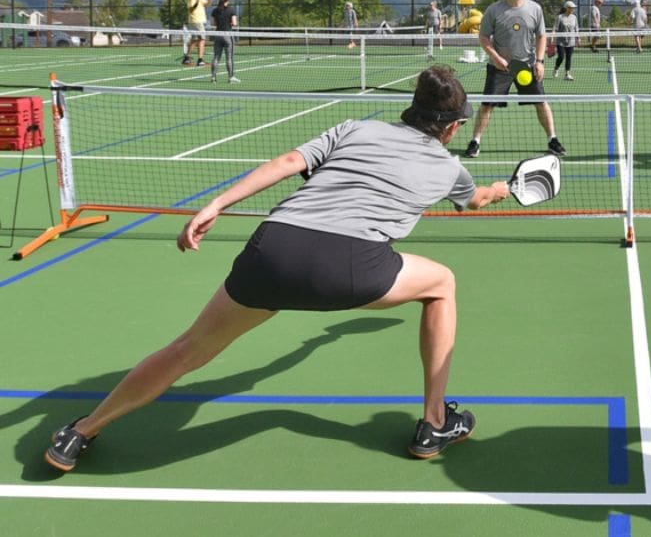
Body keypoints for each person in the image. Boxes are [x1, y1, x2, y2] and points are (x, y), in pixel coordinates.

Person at [44, 65, 512, 472]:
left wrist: (217, 204)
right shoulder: (450, 168)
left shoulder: (355, 128)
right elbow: (473, 201)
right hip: (350, 268)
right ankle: (433, 424)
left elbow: (290, 162)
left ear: (412, 109)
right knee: (442, 283)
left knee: (187, 349)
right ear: (452, 128)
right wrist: (501, 189)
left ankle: (81, 432)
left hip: (273, 251)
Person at [463, 0, 566, 159]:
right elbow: (483, 37)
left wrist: (540, 61)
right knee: (487, 105)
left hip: (527, 66)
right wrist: (495, 57)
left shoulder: (535, 9)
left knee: (541, 102)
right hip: (499, 67)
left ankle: (553, 139)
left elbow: (542, 36)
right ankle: (475, 141)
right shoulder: (494, 10)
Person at [209, 0, 240, 84]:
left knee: (216, 57)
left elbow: (213, 24)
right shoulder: (231, 10)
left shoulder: (215, 10)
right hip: (227, 36)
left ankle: (213, 77)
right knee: (229, 58)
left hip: (218, 35)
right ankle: (231, 77)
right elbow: (234, 23)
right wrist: (229, 23)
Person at [181, 0, 213, 66]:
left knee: (194, 40)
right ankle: (200, 60)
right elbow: (190, 9)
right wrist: (197, 2)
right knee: (202, 40)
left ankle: (186, 58)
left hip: (199, 21)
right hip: (196, 21)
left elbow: (207, 5)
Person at [553, 1, 578, 80]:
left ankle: (567, 74)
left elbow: (576, 29)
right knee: (561, 56)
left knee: (568, 57)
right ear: (566, 8)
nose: (572, 9)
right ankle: (556, 68)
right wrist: (552, 38)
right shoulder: (560, 17)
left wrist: (578, 38)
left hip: (571, 41)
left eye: (573, 8)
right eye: (571, 8)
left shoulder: (574, 17)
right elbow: (555, 28)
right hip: (561, 41)